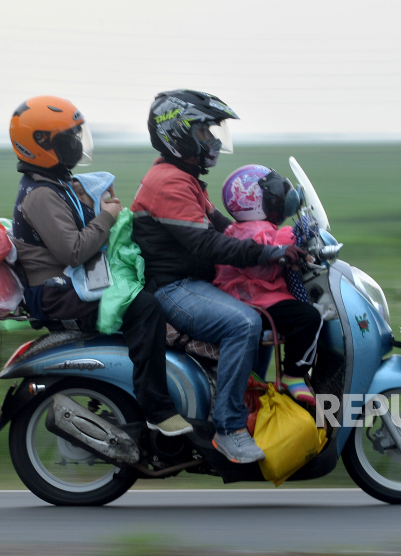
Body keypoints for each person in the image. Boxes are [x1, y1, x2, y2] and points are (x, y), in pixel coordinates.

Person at [131, 90, 305, 464]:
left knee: (261, 316)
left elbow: (225, 229)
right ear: (178, 134)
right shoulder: (169, 183)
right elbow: (209, 246)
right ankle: (229, 429)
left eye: (212, 133)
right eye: (205, 132)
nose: (212, 141)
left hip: (192, 284)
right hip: (173, 289)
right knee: (243, 323)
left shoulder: (185, 179)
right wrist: (270, 253)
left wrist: (275, 237)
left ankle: (247, 402)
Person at [8, 95, 193, 436]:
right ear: (41, 145)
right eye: (69, 138)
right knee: (145, 307)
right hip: (58, 294)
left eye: (78, 135)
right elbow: (73, 251)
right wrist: (107, 217)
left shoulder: (55, 184)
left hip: (72, 282)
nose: (77, 144)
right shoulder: (41, 195)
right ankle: (157, 409)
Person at [214, 165, 322, 405]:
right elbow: (269, 247)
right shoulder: (251, 231)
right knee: (308, 318)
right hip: (254, 301)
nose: (282, 200)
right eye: (275, 196)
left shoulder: (245, 227)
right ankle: (293, 376)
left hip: (260, 296)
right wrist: (293, 244)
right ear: (253, 201)